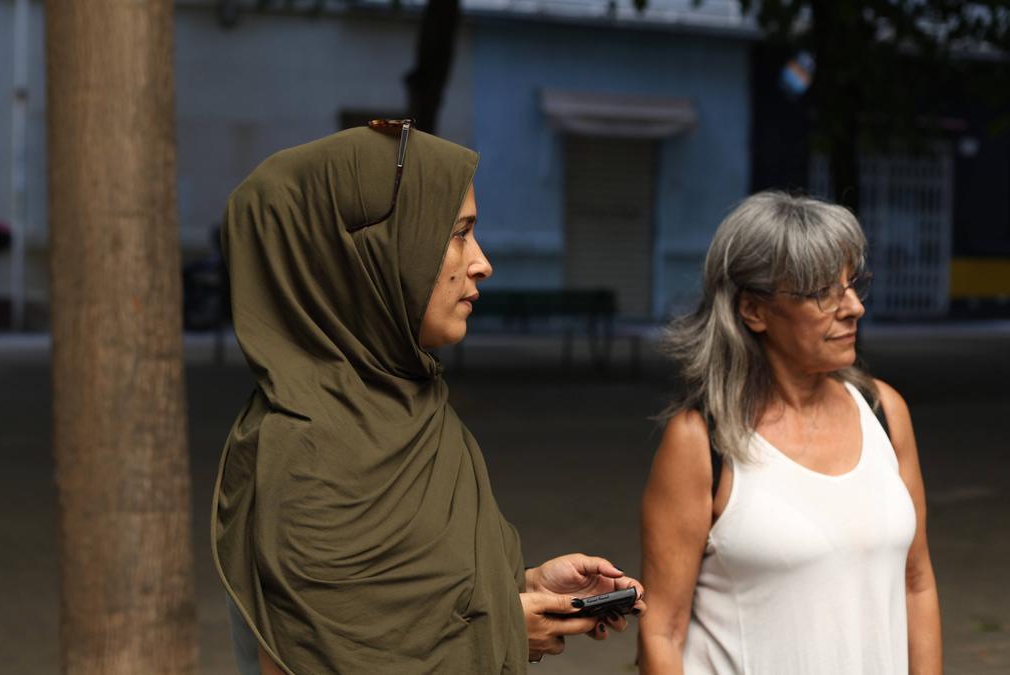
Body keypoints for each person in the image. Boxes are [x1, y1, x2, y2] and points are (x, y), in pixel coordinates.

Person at [211, 121, 645, 674]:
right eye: (458, 232)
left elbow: (407, 608)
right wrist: (506, 627)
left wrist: (523, 586)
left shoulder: (415, 409)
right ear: (366, 256)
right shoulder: (305, 457)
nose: (481, 262)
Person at [637, 192, 941, 674]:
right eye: (824, 291)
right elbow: (661, 632)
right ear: (753, 311)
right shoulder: (701, 441)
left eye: (853, 284)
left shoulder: (884, 412)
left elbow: (916, 583)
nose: (854, 307)